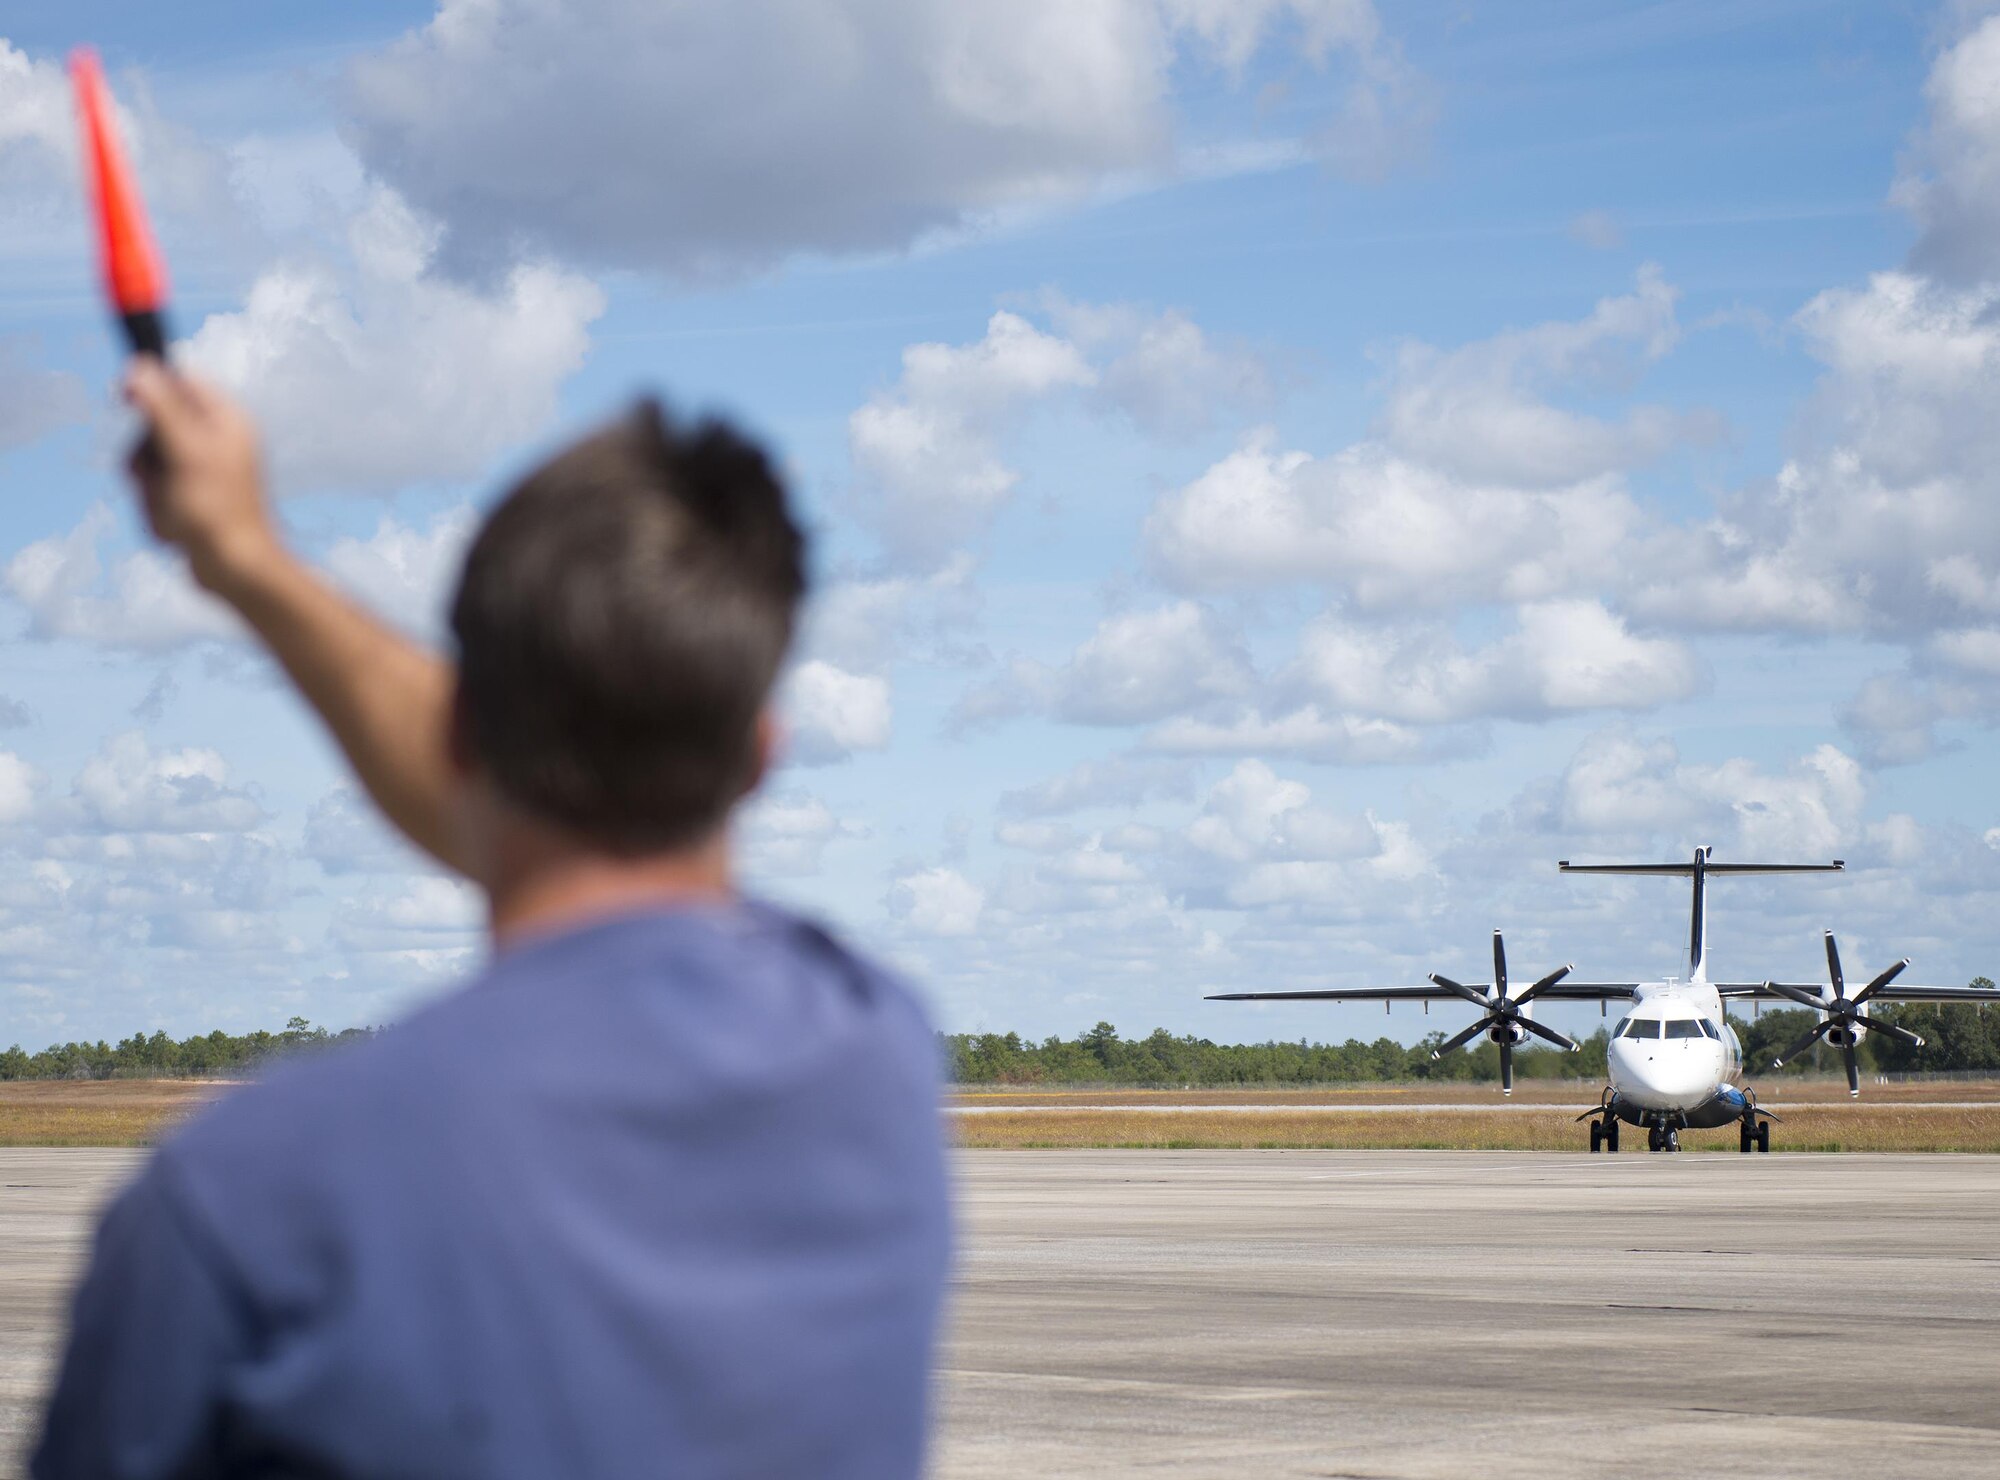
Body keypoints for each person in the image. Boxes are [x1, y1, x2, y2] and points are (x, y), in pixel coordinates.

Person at [32, 365, 952, 1479]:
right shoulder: (879, 1059)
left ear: (460, 733)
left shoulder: (243, 1195)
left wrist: (245, 557)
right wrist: (248, 558)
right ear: (761, 752)